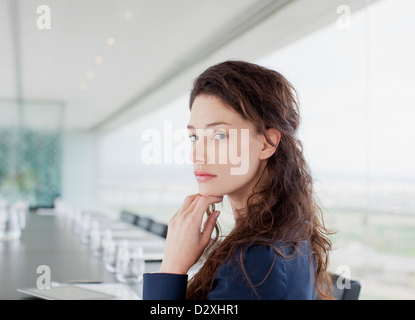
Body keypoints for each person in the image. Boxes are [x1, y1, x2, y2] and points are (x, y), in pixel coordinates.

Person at [143, 60, 333, 300]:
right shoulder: (283, 237)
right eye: (194, 136)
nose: (196, 154)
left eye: (219, 135)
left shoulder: (255, 264)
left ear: (267, 143)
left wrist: (171, 267)